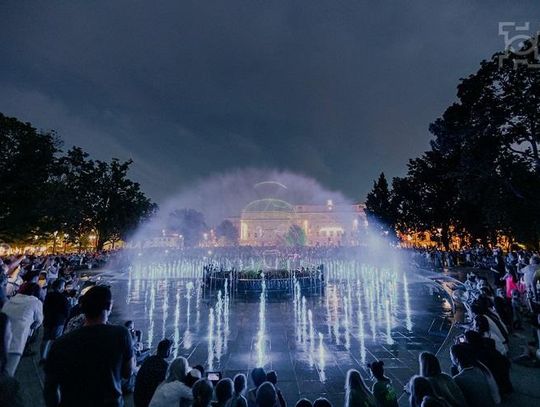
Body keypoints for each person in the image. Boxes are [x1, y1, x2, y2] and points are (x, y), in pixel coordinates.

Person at [44, 285, 135, 407]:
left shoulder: (61, 343)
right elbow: (127, 373)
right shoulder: (121, 334)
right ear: (109, 306)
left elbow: (50, 388)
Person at [1, 282, 43, 376]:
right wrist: (30, 328)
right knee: (8, 373)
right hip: (17, 341)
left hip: (2, 337)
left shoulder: (10, 300)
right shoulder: (35, 302)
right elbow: (39, 321)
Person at [133, 339, 173, 407]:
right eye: (171, 349)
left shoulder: (149, 360)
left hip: (138, 398)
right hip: (149, 402)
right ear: (167, 351)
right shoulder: (164, 366)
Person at [40, 279, 70, 362]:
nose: (64, 288)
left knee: (45, 339)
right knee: (55, 341)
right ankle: (52, 357)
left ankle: (43, 357)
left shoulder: (48, 295)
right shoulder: (63, 298)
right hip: (58, 322)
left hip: (48, 320)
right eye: (63, 286)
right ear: (60, 287)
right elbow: (67, 311)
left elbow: (44, 307)